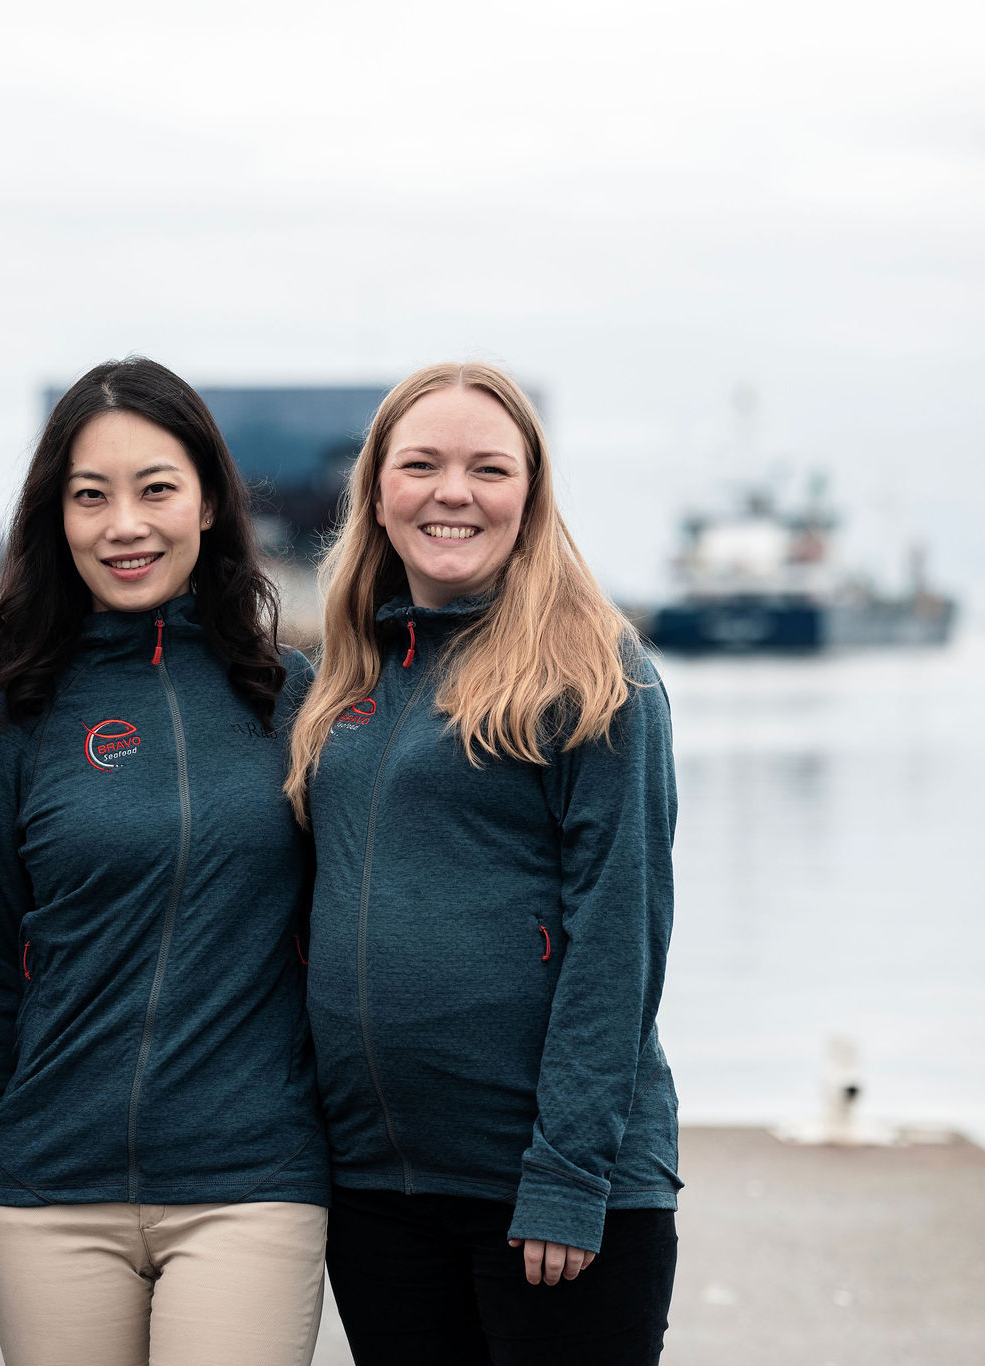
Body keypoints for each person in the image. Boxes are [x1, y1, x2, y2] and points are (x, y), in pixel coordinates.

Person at [287, 362, 679, 1365]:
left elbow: (616, 940)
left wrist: (565, 1173)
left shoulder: (597, 674)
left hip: (544, 1190)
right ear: (376, 491)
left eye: (486, 468)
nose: (450, 492)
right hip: (377, 1189)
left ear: (529, 494)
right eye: (419, 464)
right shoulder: (343, 677)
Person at [0, 357, 332, 1366]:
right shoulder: (4, 718)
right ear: (55, 519)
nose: (124, 524)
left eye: (154, 488)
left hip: (249, 1181)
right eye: (89, 496)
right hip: (48, 1191)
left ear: (207, 501)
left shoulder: (295, 703)